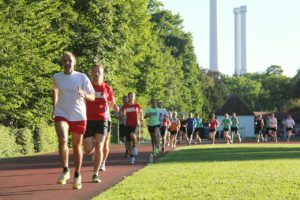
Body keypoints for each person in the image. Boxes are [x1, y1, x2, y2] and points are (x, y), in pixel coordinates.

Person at [52, 51, 95, 189]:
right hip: (61, 112)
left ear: (74, 62)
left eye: (70, 60)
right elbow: (55, 91)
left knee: (77, 147)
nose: (67, 63)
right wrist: (54, 108)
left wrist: (84, 94)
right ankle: (65, 170)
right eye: (64, 60)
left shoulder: (82, 77)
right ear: (61, 62)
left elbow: (92, 96)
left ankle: (77, 174)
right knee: (63, 139)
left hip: (78, 115)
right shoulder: (57, 77)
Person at [83, 64, 118, 183]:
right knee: (88, 149)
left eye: (99, 71)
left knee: (99, 146)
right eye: (95, 71)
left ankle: (95, 173)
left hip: (102, 119)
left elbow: (111, 103)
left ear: (102, 73)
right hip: (87, 119)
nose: (97, 73)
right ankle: (96, 155)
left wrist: (114, 106)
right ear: (92, 73)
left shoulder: (107, 88)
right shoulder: (87, 87)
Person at [120, 92, 143, 164]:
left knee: (132, 135)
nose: (131, 98)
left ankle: (135, 147)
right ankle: (132, 157)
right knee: (128, 142)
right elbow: (121, 113)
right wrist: (122, 115)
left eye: (132, 96)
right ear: (128, 97)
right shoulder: (125, 105)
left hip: (135, 123)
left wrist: (141, 119)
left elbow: (140, 112)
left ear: (134, 97)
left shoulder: (137, 105)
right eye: (129, 96)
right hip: (127, 124)